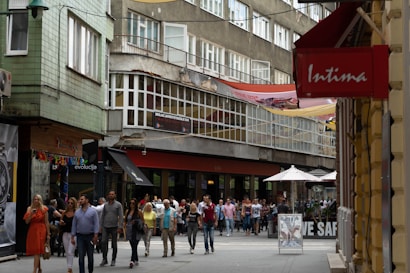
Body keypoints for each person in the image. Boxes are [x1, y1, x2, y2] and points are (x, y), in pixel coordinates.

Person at [71, 194, 99, 273]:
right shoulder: (77, 212)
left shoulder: (93, 211)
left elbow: (96, 224)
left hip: (90, 236)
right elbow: (74, 224)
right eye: (80, 199)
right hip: (80, 236)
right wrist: (72, 236)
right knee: (81, 256)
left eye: (82, 199)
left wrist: (95, 235)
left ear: (87, 200)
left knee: (90, 256)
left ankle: (90, 271)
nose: (80, 201)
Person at [23, 194, 50, 273]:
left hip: (41, 230)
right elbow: (26, 221)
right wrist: (31, 214)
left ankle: (34, 271)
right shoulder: (29, 208)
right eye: (34, 199)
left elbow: (46, 222)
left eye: (37, 199)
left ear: (40, 200)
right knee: (36, 251)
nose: (36, 201)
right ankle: (39, 268)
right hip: (32, 230)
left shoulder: (44, 209)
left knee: (37, 251)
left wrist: (48, 234)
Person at [99, 190, 124, 267]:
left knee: (114, 244)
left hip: (114, 227)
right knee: (103, 242)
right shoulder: (105, 205)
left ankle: (113, 259)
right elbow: (102, 215)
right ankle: (104, 258)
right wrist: (100, 225)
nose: (111, 195)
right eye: (110, 194)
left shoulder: (118, 205)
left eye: (112, 194)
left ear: (115, 195)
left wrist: (120, 226)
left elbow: (121, 216)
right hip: (105, 226)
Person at [124, 198, 144, 268]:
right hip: (129, 229)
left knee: (135, 244)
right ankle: (136, 258)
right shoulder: (127, 211)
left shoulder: (139, 212)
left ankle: (132, 260)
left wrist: (136, 221)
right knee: (133, 245)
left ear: (135, 204)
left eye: (133, 203)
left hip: (137, 230)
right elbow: (125, 220)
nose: (131, 205)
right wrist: (125, 227)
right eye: (130, 203)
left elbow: (142, 221)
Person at [59, 197, 77, 273]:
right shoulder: (64, 213)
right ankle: (69, 267)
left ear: (74, 204)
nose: (70, 204)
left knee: (70, 251)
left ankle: (69, 268)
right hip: (65, 233)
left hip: (74, 234)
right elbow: (60, 222)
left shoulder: (76, 213)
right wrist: (61, 223)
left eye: (71, 203)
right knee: (67, 251)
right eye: (68, 203)